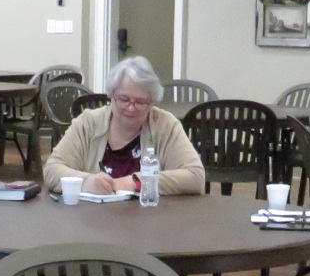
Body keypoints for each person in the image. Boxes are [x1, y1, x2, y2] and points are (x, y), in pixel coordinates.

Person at [42, 56, 204, 196]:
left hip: (149, 222)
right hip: (92, 222)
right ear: (111, 96)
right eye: (124, 99)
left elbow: (195, 177)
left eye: (140, 101)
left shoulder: (165, 125)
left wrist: (136, 182)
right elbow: (52, 170)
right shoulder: (88, 124)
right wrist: (86, 182)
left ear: (152, 102)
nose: (131, 108)